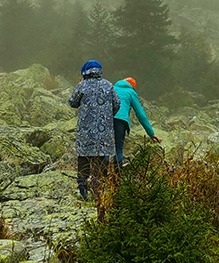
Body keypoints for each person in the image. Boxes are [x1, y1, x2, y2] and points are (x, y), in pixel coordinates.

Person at [68, 59, 120, 200]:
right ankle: (98, 192)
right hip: (104, 131)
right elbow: (117, 103)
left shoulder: (82, 86)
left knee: (84, 159)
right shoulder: (108, 85)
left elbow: (72, 102)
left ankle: (83, 190)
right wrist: (108, 116)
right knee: (101, 159)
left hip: (85, 131)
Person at [112, 76, 160, 164]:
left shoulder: (111, 88)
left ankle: (103, 173)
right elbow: (141, 114)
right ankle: (117, 174)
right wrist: (151, 134)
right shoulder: (131, 92)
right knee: (118, 148)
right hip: (121, 121)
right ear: (133, 87)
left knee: (106, 147)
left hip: (107, 119)